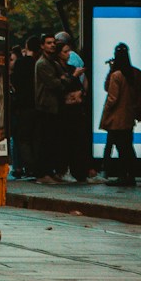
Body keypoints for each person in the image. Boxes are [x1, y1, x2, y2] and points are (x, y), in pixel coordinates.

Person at [100, 42, 141, 187]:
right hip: (128, 116)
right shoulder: (136, 73)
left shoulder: (116, 75)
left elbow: (111, 96)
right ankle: (130, 174)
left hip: (116, 117)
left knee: (115, 146)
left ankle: (116, 173)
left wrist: (106, 111)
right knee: (127, 146)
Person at [54, 31, 90, 183]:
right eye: (65, 51)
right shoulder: (64, 69)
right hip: (67, 109)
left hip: (72, 108)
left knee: (73, 141)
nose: (69, 54)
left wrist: (77, 94)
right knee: (69, 141)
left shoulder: (69, 67)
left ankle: (73, 169)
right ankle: (69, 169)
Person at [33, 32, 68, 184]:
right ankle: (43, 173)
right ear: (42, 46)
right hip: (46, 106)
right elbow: (55, 83)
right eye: (48, 43)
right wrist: (62, 80)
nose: (52, 45)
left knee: (52, 142)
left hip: (53, 106)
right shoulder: (42, 64)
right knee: (45, 141)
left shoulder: (51, 62)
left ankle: (49, 171)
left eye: (53, 42)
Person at [8, 36, 38, 180]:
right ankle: (31, 167)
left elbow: (18, 84)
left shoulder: (22, 64)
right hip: (37, 105)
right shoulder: (37, 63)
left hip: (24, 106)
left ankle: (29, 167)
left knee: (23, 138)